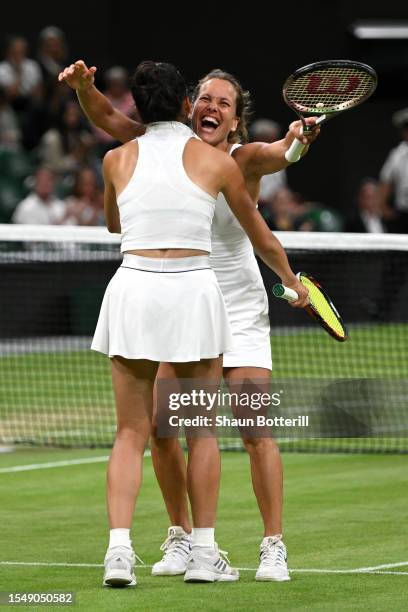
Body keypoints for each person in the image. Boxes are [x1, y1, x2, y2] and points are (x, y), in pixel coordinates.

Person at [59, 60, 317, 582]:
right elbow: (108, 115)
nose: (212, 107)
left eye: (224, 102)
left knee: (254, 429)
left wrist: (298, 140)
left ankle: (273, 545)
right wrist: (85, 90)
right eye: (205, 98)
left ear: (236, 120)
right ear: (187, 106)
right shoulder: (156, 143)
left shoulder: (239, 160)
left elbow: (280, 154)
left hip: (236, 308)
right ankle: (182, 537)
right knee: (163, 430)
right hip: (184, 303)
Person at [379, 107, 408, 233]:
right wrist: (384, 209)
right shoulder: (397, 154)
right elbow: (385, 183)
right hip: (404, 214)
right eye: (406, 128)